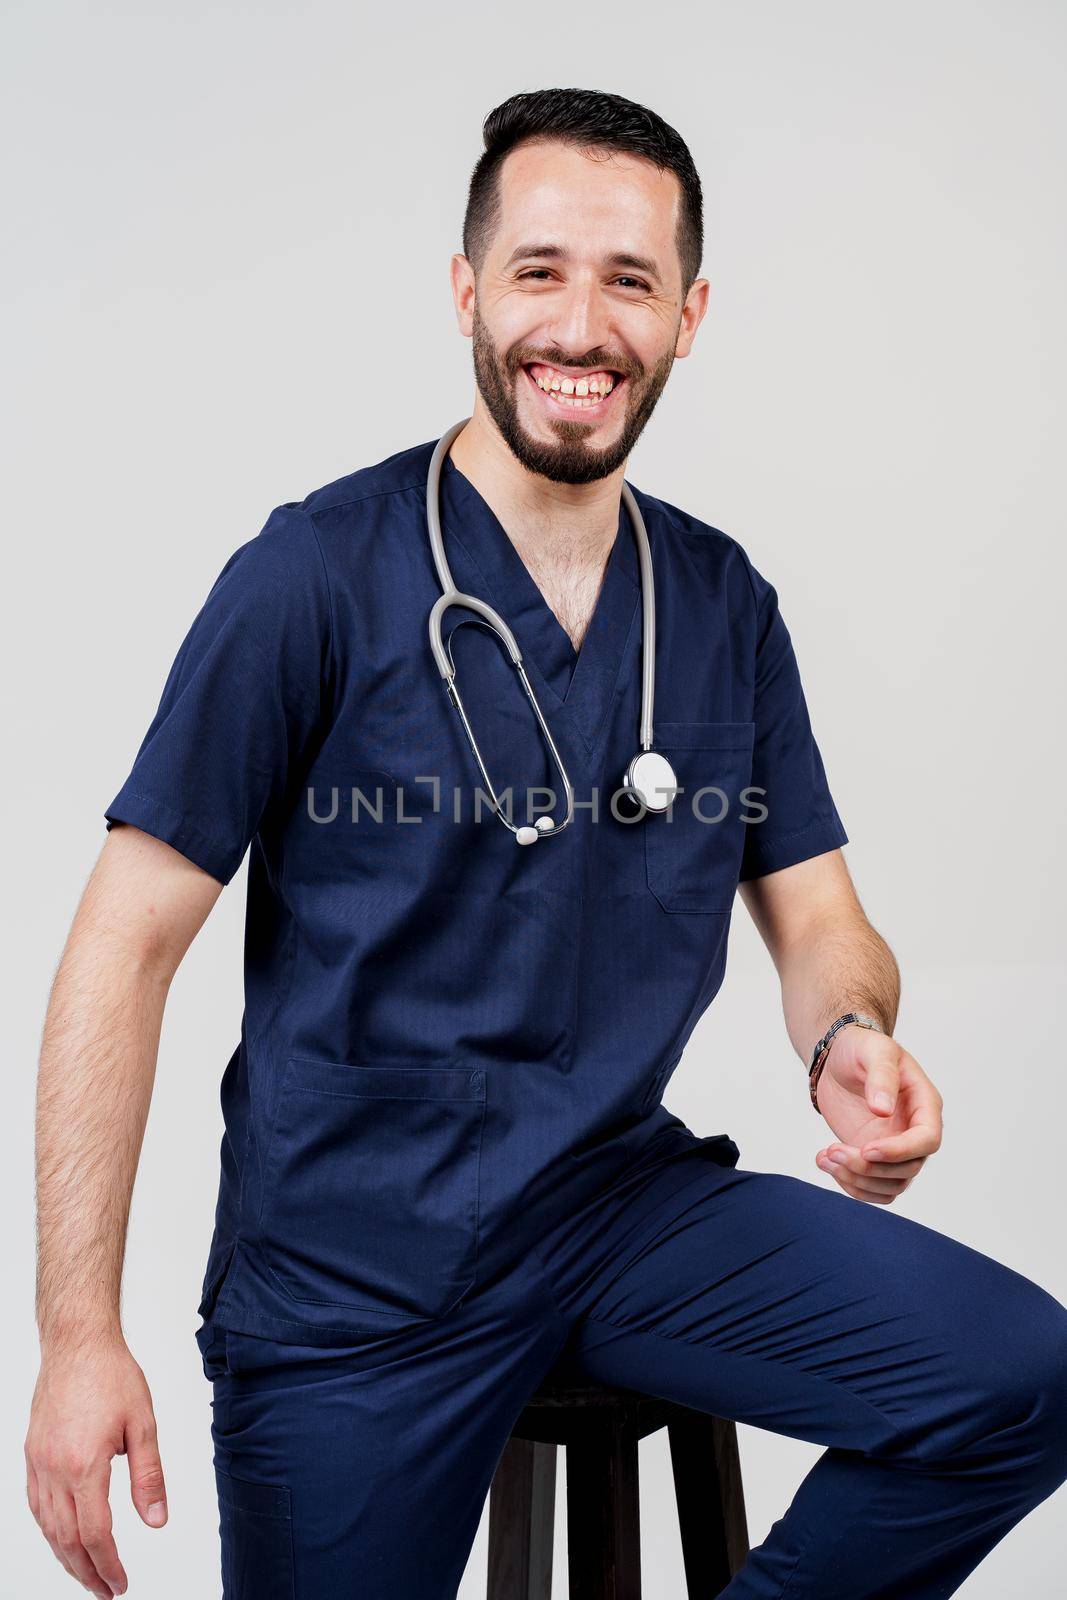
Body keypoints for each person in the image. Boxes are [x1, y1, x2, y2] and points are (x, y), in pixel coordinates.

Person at [25, 86, 1067, 1600]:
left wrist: (850, 1028)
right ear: (467, 289)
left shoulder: (720, 605)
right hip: (350, 1274)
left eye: (629, 281)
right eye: (540, 270)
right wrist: (75, 1336)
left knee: (1021, 1380)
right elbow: (121, 947)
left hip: (613, 1211)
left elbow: (821, 915)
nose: (581, 326)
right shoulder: (314, 577)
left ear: (689, 313)